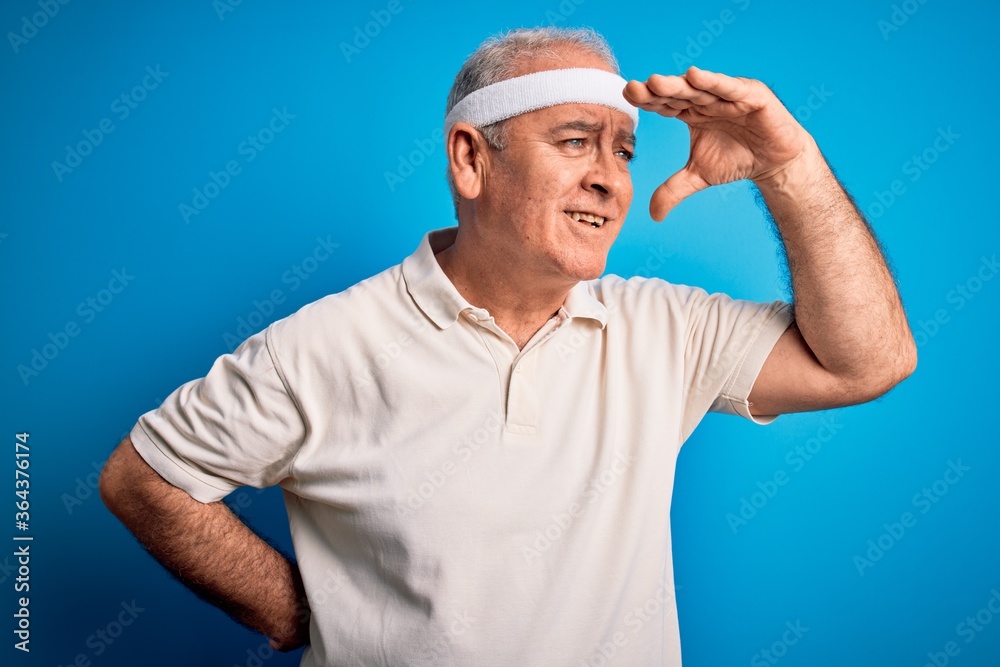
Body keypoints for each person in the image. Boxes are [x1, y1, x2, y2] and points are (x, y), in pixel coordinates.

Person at [99, 26, 916, 666]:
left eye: (623, 149)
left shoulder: (666, 329)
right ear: (470, 159)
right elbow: (143, 479)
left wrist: (789, 165)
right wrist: (301, 611)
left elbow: (869, 360)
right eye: (574, 141)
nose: (610, 177)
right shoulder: (325, 346)